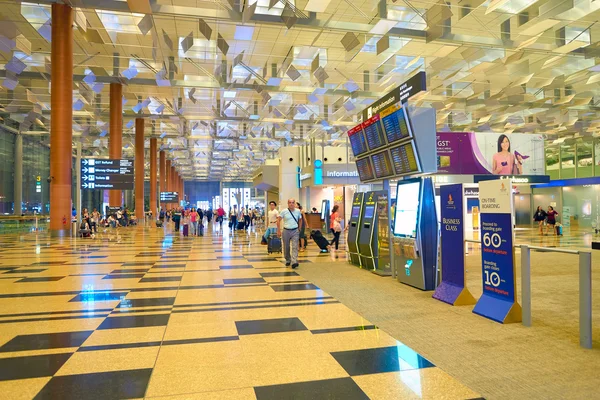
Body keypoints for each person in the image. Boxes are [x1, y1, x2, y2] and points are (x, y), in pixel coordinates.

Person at [277, 198, 302, 269]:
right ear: (288, 204)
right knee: (286, 246)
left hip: (295, 230)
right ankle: (288, 259)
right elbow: (278, 220)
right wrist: (278, 230)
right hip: (286, 231)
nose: (291, 204)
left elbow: (300, 220)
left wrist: (299, 228)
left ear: (295, 203)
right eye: (290, 202)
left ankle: (294, 261)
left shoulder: (298, 211)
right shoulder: (284, 211)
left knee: (295, 246)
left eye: (293, 202)